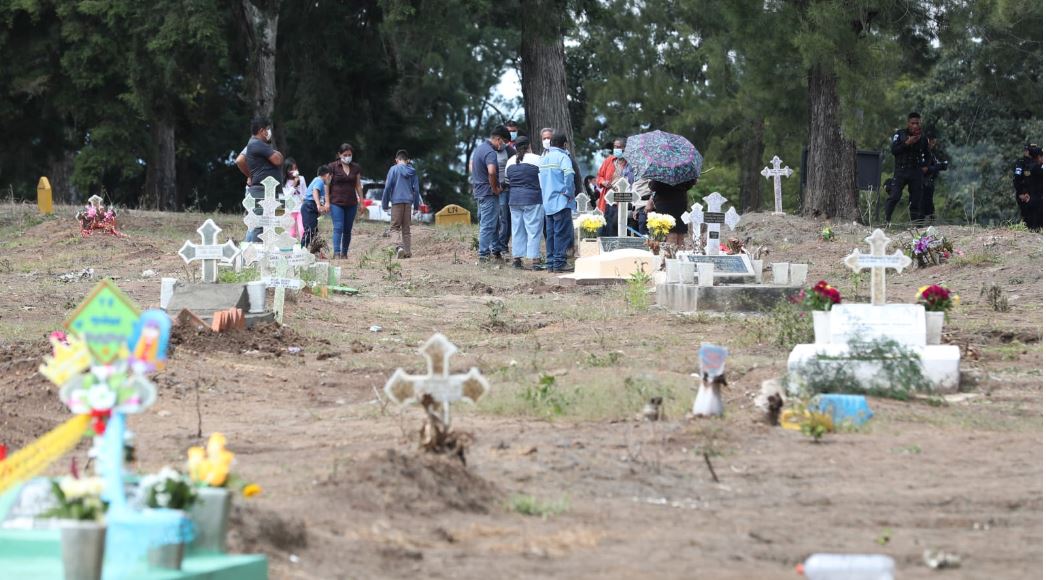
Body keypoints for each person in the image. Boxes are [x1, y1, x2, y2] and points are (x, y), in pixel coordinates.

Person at [235, 117, 283, 242]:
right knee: (259, 225)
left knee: (259, 224)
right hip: (261, 191)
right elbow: (278, 159)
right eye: (267, 129)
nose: (269, 132)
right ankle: (253, 255)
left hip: (265, 191)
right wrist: (250, 176)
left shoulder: (256, 144)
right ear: (262, 130)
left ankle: (249, 253)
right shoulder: (257, 144)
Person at [470, 127, 509, 263]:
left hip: (480, 192)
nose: (503, 145)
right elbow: (492, 172)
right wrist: (495, 188)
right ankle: (483, 255)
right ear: (498, 139)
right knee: (488, 224)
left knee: (491, 223)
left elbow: (473, 168)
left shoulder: (479, 149)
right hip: (488, 193)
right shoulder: (491, 153)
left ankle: (496, 250)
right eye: (504, 142)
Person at [884, 112, 930, 225]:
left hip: (916, 171)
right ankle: (885, 221)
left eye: (917, 123)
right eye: (912, 123)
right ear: (908, 123)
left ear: (920, 124)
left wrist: (925, 165)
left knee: (916, 199)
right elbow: (894, 150)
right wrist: (907, 143)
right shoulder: (900, 134)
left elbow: (928, 155)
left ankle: (915, 225)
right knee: (894, 196)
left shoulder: (923, 138)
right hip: (901, 170)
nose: (915, 126)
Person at [506, 137, 545, 270]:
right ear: (529, 145)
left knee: (517, 229)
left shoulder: (510, 161)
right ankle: (535, 261)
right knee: (533, 230)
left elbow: (507, 181)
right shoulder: (537, 159)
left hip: (514, 199)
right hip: (533, 198)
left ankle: (517, 260)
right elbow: (543, 180)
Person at [539, 132, 576, 273]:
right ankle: (559, 263)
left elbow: (540, 181)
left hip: (547, 202)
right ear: (564, 144)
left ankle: (550, 263)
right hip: (561, 201)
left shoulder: (544, 158)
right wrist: (569, 192)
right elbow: (569, 175)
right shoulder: (563, 157)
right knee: (562, 233)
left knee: (550, 234)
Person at [381, 149, 421, 258]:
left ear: (396, 160)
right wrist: (416, 207)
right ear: (407, 160)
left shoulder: (393, 169)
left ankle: (399, 247)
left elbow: (388, 187)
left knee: (394, 228)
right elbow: (416, 190)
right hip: (408, 203)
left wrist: (384, 204)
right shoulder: (413, 171)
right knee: (406, 229)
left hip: (397, 202)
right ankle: (407, 252)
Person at [326, 143, 364, 259]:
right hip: (336, 202)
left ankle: (344, 253)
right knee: (338, 227)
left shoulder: (356, 168)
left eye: (350, 154)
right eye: (345, 154)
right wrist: (327, 202)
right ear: (339, 154)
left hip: (351, 203)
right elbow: (326, 185)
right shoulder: (332, 166)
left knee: (347, 229)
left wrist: (362, 202)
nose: (347, 157)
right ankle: (336, 253)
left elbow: (358, 186)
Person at [645, 179, 694, 247]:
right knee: (679, 232)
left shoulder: (661, 170)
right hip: (680, 200)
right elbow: (690, 184)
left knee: (669, 231)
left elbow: (654, 186)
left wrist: (650, 183)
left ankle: (670, 253)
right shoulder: (683, 170)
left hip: (664, 202)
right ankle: (680, 252)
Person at [493, 125, 517, 260]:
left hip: (505, 189)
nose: (504, 143)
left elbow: (514, 169)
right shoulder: (489, 149)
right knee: (493, 218)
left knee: (504, 218)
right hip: (491, 188)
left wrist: (504, 184)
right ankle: (494, 245)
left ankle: (502, 245)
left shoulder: (510, 151)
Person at [1014, 144, 1043, 230]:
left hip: (1031, 196)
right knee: (1032, 220)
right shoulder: (1033, 166)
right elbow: (1017, 179)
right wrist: (1021, 193)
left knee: (1031, 220)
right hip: (1030, 196)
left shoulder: (1031, 164)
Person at [301, 165, 331, 250]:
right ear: (327, 175)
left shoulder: (317, 180)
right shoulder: (319, 181)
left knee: (314, 231)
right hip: (309, 206)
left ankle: (313, 251)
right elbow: (315, 191)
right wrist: (318, 205)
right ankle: (302, 250)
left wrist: (321, 207)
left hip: (310, 206)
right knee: (310, 231)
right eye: (330, 177)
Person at [921, 133, 948, 223]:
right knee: (922, 204)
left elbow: (937, 165)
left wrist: (941, 165)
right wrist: (938, 166)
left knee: (929, 204)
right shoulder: (921, 152)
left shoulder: (930, 154)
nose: (933, 145)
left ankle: (929, 222)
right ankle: (919, 223)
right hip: (921, 182)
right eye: (931, 143)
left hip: (929, 182)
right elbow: (924, 169)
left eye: (934, 143)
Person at [595, 138, 626, 212]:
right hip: (609, 198)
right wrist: (603, 182)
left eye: (618, 147)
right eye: (615, 147)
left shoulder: (629, 163)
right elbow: (599, 176)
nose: (616, 149)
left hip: (624, 199)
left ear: (624, 148)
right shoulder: (609, 160)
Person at [283, 158, 307, 241]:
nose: (294, 171)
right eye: (291, 169)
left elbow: (305, 194)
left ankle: (303, 247)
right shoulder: (284, 182)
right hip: (290, 209)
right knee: (291, 233)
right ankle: (291, 251)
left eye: (295, 168)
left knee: (302, 230)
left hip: (301, 208)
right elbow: (286, 197)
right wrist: (294, 186)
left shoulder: (302, 179)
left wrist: (298, 185)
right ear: (286, 170)